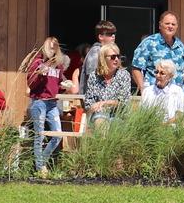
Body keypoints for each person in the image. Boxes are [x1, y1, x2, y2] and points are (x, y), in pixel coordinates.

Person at [21, 37, 76, 174]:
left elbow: (56, 86)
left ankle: (41, 162)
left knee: (57, 134)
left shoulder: (58, 66)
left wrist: (65, 86)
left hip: (52, 103)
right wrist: (40, 75)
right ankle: (40, 168)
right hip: (39, 102)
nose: (52, 50)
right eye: (50, 47)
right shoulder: (37, 63)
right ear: (45, 48)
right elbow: (31, 84)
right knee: (39, 135)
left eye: (55, 48)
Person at [130, 12, 184, 93]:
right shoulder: (149, 43)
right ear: (160, 25)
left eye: (173, 24)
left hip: (175, 95)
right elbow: (136, 68)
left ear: (177, 26)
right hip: (154, 94)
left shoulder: (180, 46)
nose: (170, 26)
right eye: (167, 23)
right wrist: (143, 89)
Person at [82, 43, 131, 125]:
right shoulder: (93, 76)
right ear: (103, 59)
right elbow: (89, 103)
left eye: (118, 57)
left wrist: (103, 103)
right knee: (100, 120)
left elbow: (123, 101)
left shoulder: (124, 75)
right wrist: (94, 107)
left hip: (118, 116)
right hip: (99, 114)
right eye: (113, 57)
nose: (116, 59)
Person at [72, 20, 117, 95]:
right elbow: (93, 80)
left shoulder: (107, 51)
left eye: (114, 34)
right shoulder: (95, 53)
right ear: (100, 36)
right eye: (110, 34)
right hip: (94, 101)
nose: (113, 36)